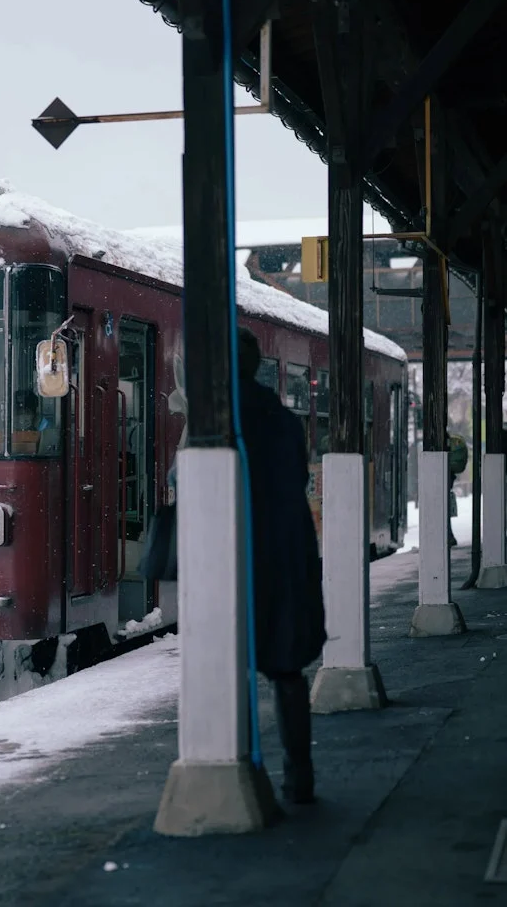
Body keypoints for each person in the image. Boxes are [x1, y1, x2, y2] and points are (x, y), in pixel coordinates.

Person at [238, 327, 326, 804]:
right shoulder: (285, 420)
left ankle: (236, 771)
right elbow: (298, 476)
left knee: (231, 667)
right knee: (286, 670)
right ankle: (300, 775)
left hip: (239, 557)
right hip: (288, 554)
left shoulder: (219, 421)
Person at [447, 432, 468, 547]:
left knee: (443, 507)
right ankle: (449, 536)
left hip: (446, 475)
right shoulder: (449, 441)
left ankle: (449, 536)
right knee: (445, 508)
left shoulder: (441, 441)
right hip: (449, 476)